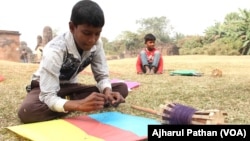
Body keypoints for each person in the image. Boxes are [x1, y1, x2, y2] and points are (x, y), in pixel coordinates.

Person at [18, 0, 128, 124]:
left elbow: (102, 76)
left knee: (121, 89)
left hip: (70, 88)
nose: (92, 39)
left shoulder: (97, 43)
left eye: (97, 33)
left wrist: (108, 92)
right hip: (45, 88)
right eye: (86, 33)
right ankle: (72, 102)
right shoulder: (55, 49)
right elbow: (48, 95)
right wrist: (79, 105)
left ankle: (68, 102)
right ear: (72, 27)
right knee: (28, 111)